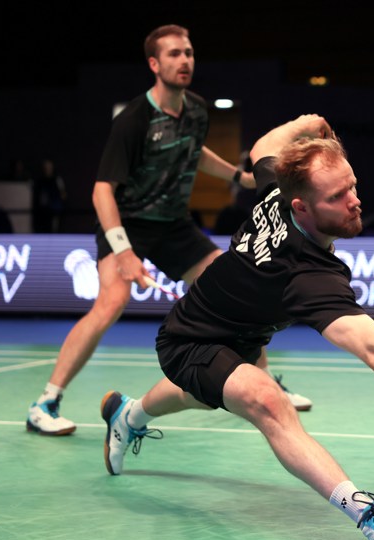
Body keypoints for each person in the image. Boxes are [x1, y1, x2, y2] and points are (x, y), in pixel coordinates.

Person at [99, 114, 374, 540]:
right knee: (268, 401)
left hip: (240, 337)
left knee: (202, 394)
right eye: (338, 196)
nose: (355, 202)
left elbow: (264, 144)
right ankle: (371, 519)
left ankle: (128, 415)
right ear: (300, 206)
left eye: (353, 187)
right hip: (189, 337)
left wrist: (307, 123)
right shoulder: (308, 274)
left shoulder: (279, 186)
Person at [26, 24, 310, 437]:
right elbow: (102, 190)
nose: (185, 60)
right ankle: (45, 402)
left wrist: (238, 177)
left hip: (174, 225)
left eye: (189, 53)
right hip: (127, 223)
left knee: (239, 283)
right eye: (175, 54)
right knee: (111, 302)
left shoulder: (195, 109)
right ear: (154, 64)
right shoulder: (133, 120)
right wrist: (122, 251)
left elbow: (194, 152)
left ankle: (267, 381)